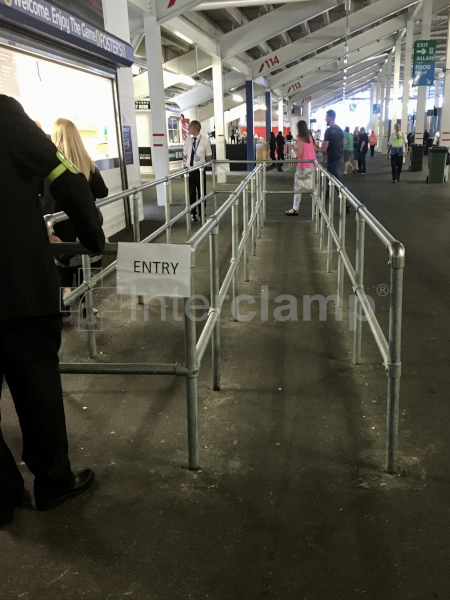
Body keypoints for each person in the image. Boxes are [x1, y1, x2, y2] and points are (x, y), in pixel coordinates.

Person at [0, 95, 105, 527]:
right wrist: (92, 236)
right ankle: (52, 483)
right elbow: (64, 173)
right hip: (17, 288)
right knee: (37, 389)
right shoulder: (5, 115)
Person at [182, 120, 212, 222]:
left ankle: (202, 213)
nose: (188, 129)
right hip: (190, 170)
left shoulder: (205, 141)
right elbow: (185, 154)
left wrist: (200, 161)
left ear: (195, 128)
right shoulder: (188, 141)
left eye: (190, 127)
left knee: (201, 193)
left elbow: (209, 157)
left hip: (200, 170)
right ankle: (193, 213)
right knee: (191, 193)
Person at [285, 120, 316, 216]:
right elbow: (308, 149)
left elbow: (299, 154)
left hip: (302, 167)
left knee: (297, 189)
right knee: (312, 188)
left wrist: (292, 148)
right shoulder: (309, 137)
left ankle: (295, 209)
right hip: (310, 166)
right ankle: (318, 207)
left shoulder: (300, 138)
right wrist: (296, 142)